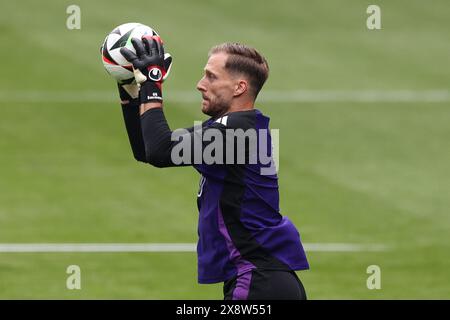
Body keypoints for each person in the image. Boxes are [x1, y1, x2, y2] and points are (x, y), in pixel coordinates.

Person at [117, 35, 309, 300]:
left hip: (257, 281)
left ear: (239, 87)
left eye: (211, 77)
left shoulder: (237, 133)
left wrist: (152, 81)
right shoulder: (234, 129)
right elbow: (147, 150)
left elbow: (160, 150)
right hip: (265, 280)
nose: (200, 85)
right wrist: (129, 89)